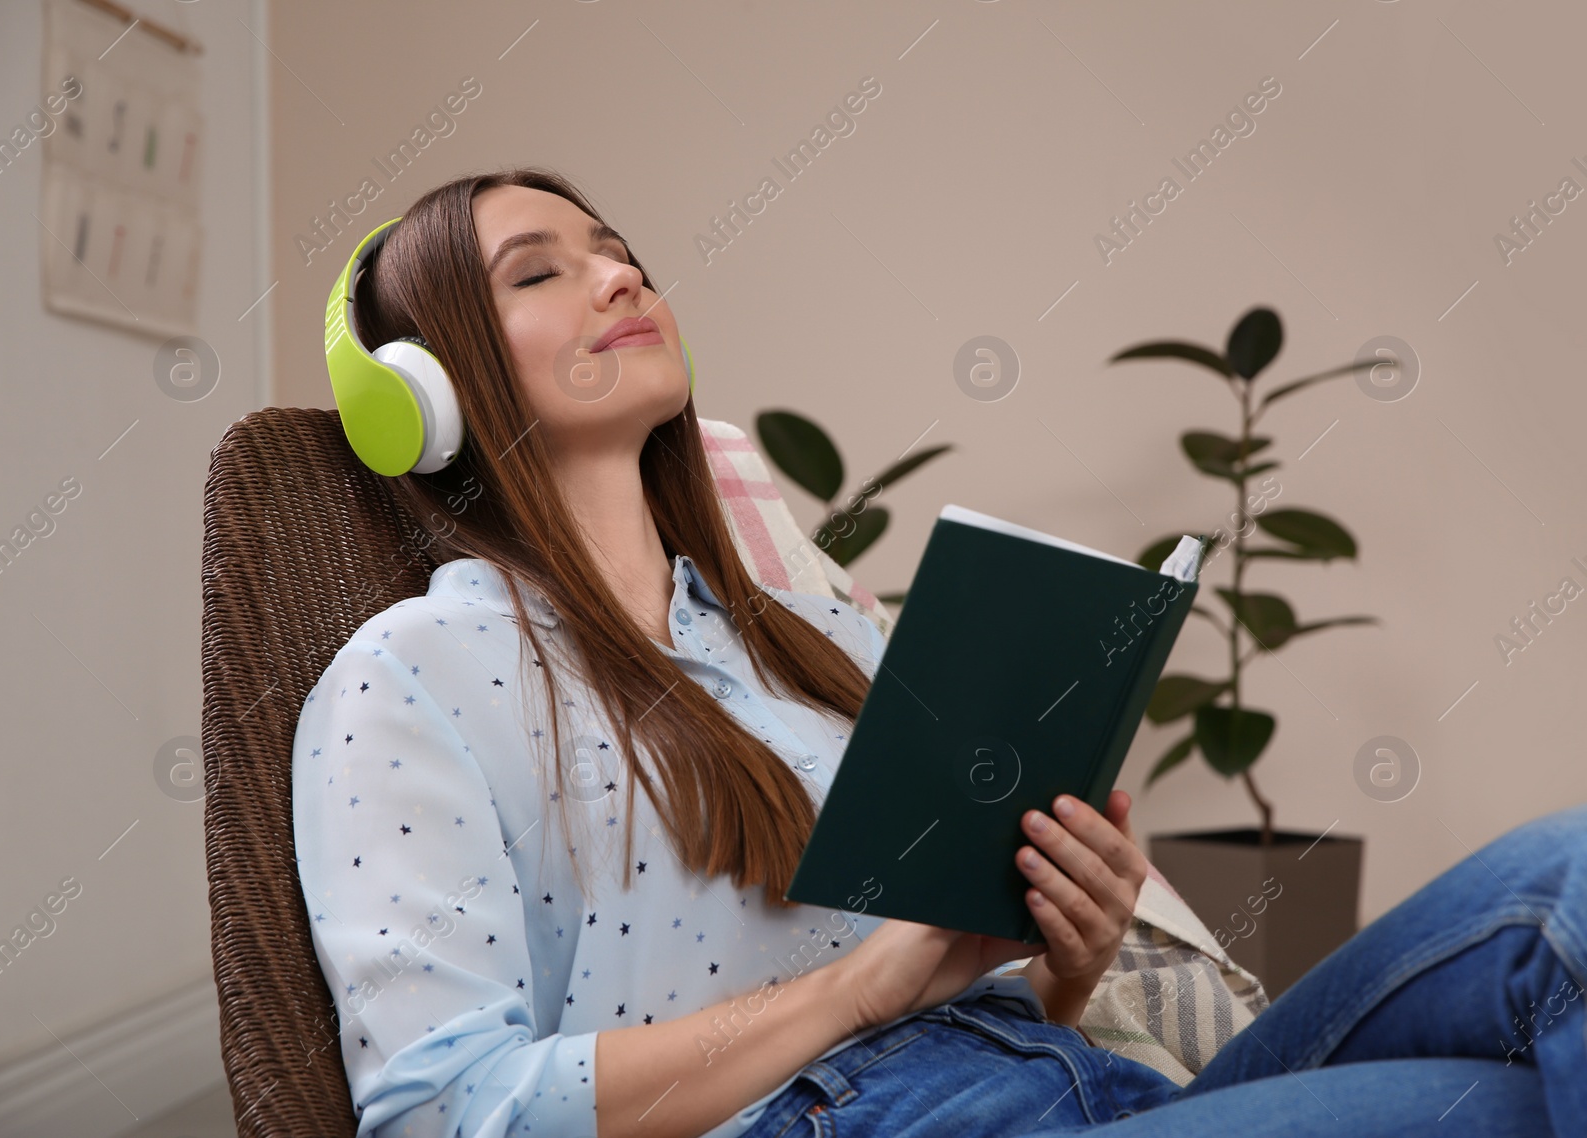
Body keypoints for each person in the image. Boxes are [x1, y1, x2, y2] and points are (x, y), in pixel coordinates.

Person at [292, 165, 1585, 1138]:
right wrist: (857, 992)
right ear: (427, 388)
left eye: (619, 254)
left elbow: (974, 985)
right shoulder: (413, 675)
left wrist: (1063, 951)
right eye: (539, 271)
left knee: (1567, 875)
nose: (621, 277)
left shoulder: (803, 634)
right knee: (1488, 1106)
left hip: (1067, 1089)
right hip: (858, 1116)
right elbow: (437, 1108)